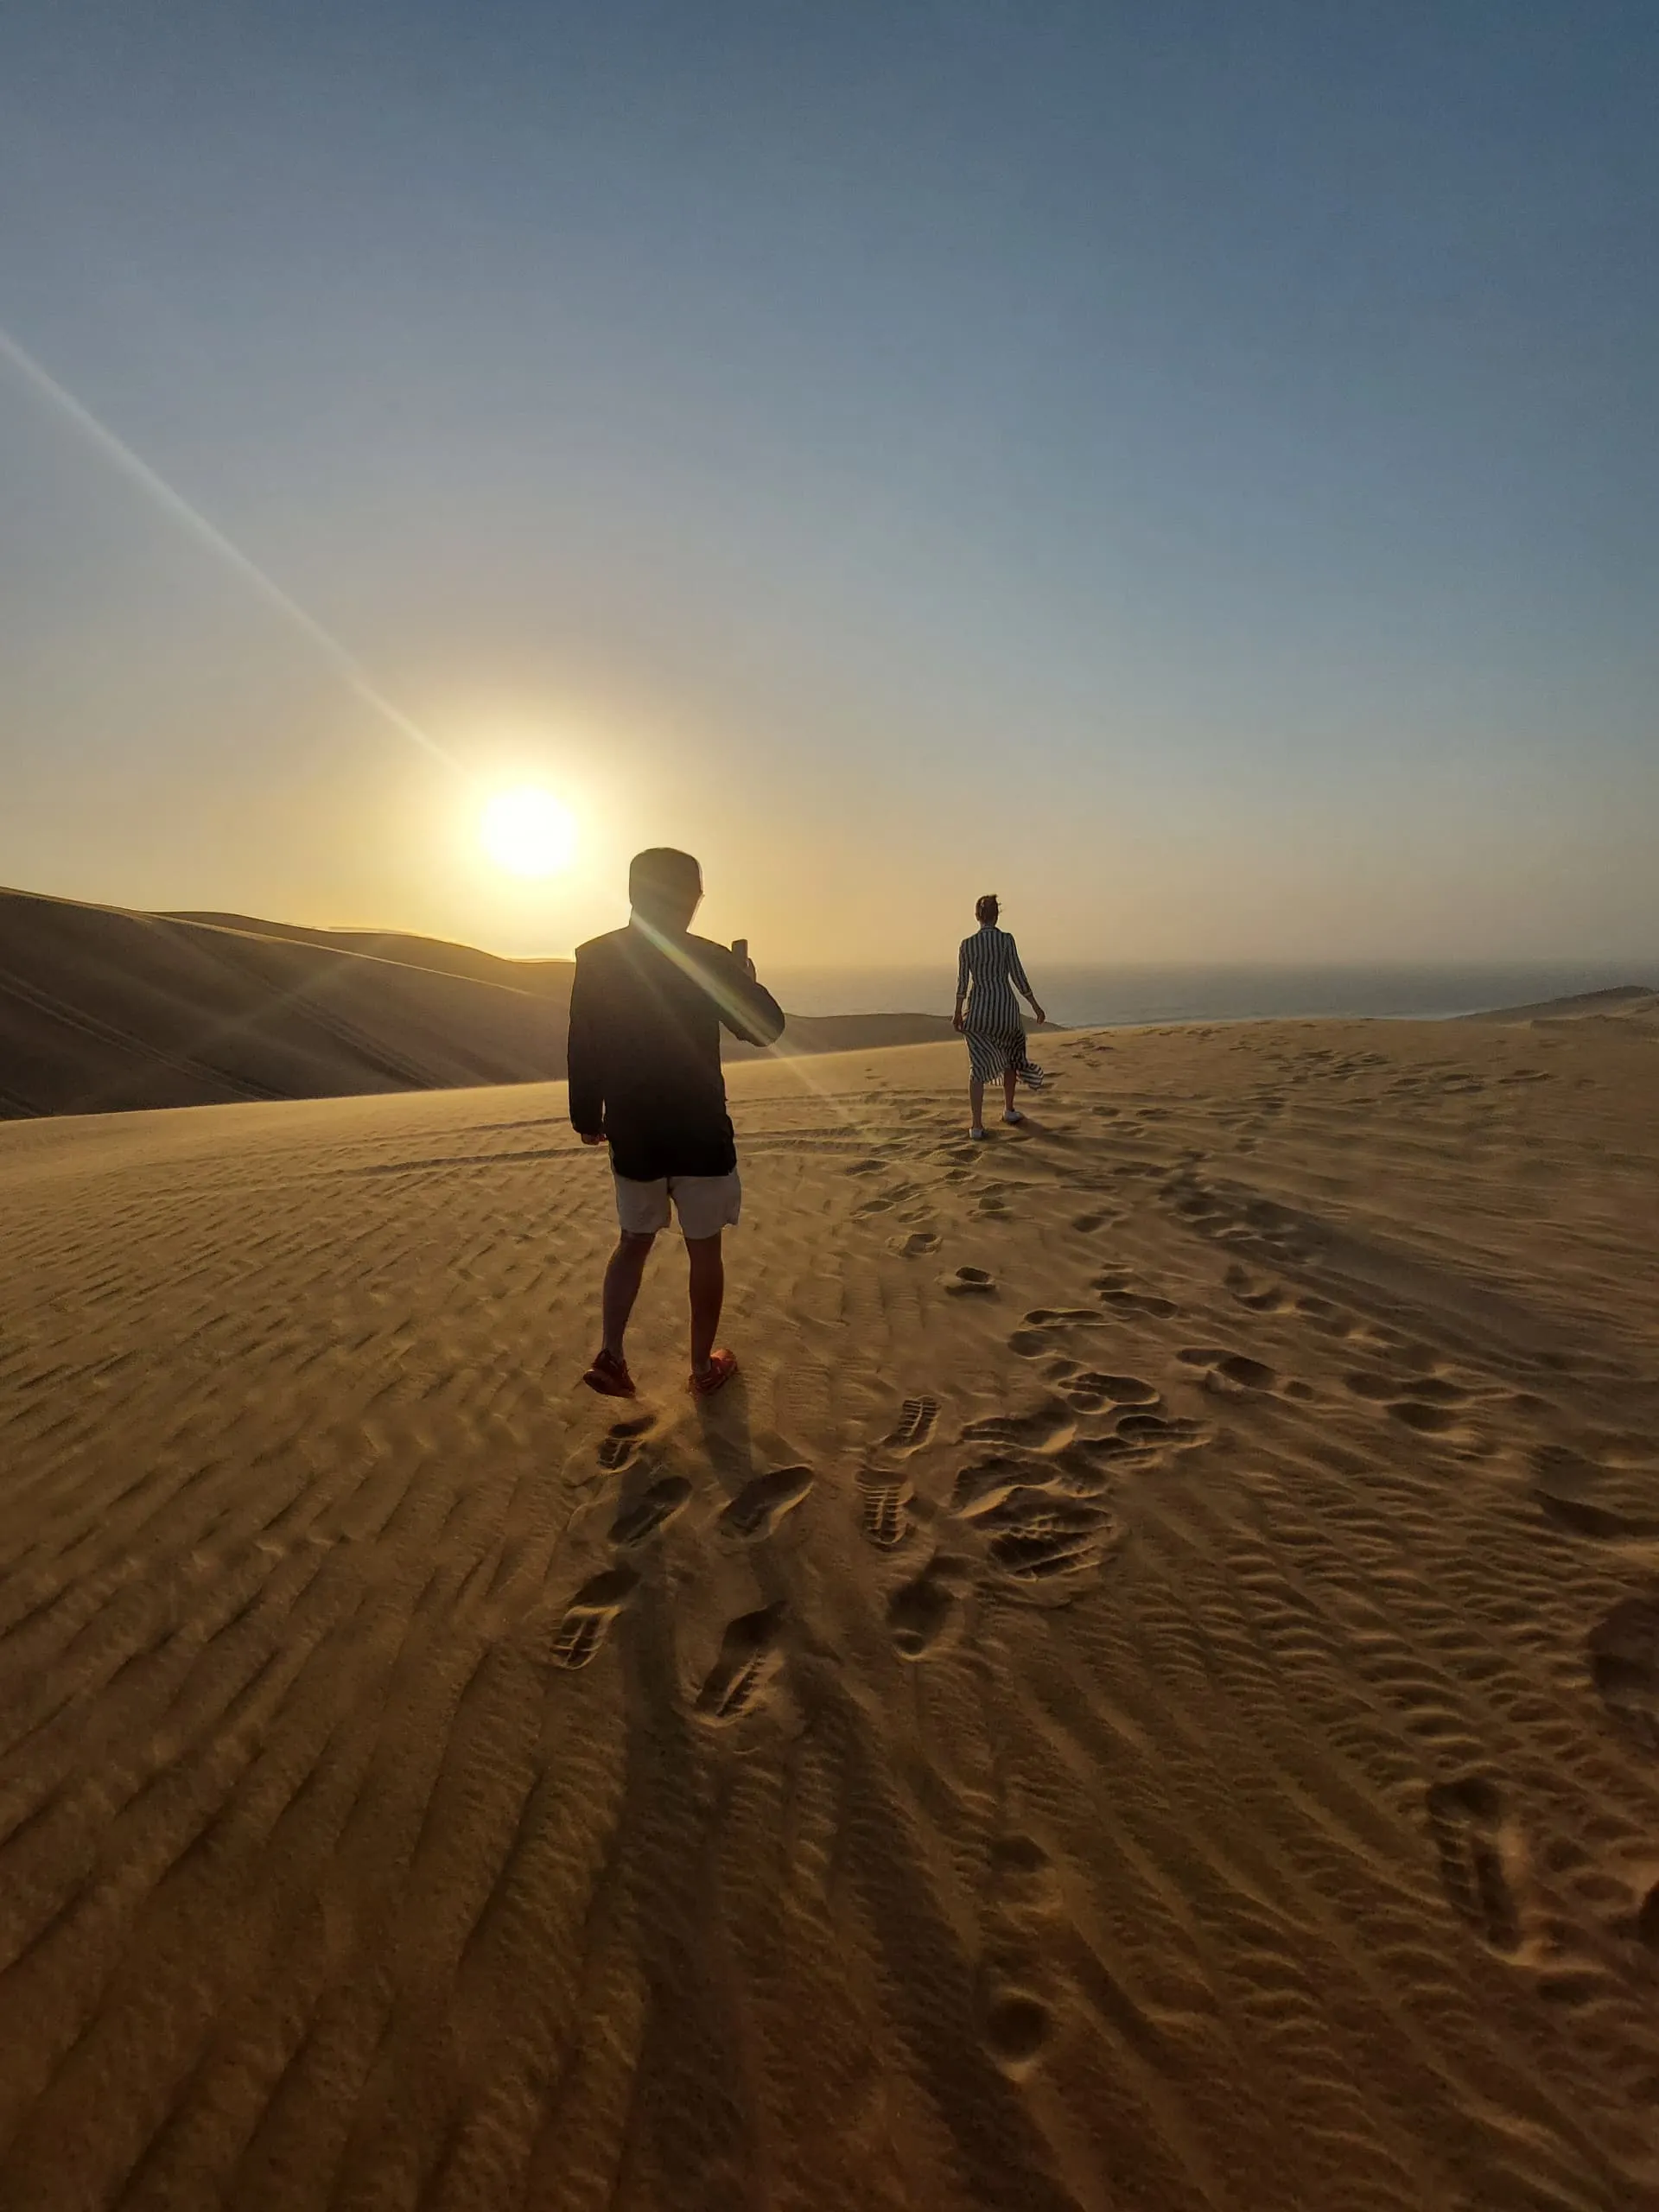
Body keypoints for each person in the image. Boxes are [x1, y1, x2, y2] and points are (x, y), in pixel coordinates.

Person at [567, 847, 785, 1400]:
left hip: (635, 1132)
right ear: (690, 898)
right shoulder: (707, 959)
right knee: (703, 1248)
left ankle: (612, 1355)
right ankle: (702, 1368)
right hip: (699, 1130)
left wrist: (586, 1117)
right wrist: (745, 980)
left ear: (634, 894)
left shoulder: (595, 957)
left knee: (634, 1240)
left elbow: (583, 1041)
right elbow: (764, 1029)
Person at [952, 893, 1047, 1139]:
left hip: (979, 1011)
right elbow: (1018, 976)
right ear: (996, 915)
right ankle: (1008, 1109)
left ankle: (976, 1125)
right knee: (1010, 1058)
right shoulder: (1006, 940)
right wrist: (1035, 1005)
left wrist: (957, 1013)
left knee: (978, 1066)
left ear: (977, 916)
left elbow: (963, 983)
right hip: (1006, 1010)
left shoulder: (967, 945)